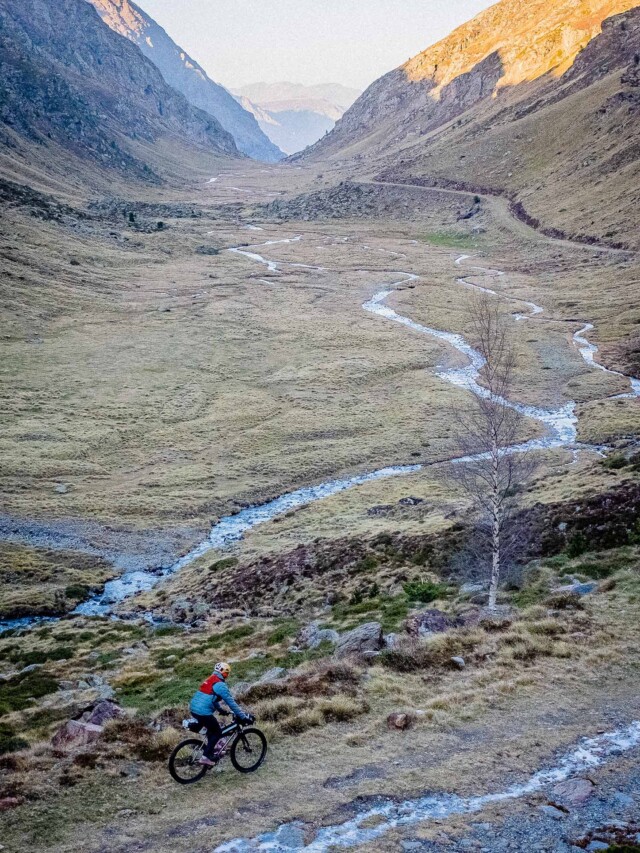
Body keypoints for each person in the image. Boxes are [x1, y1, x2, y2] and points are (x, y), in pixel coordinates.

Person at [189, 661, 254, 766]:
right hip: (203, 712)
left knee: (211, 730)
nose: (227, 675)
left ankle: (212, 750)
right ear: (223, 672)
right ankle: (205, 757)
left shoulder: (210, 679)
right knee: (217, 732)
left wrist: (220, 710)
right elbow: (231, 703)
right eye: (227, 673)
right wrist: (243, 716)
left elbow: (212, 698)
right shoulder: (220, 684)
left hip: (194, 709)